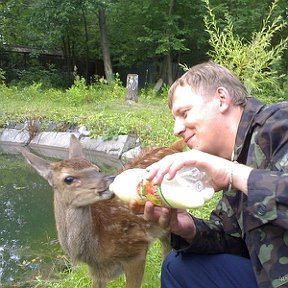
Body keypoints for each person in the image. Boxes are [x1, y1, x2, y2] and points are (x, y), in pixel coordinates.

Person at [129, 61, 288, 288]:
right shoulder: (236, 157)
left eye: (184, 113)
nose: (177, 129)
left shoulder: (280, 123)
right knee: (178, 267)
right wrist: (188, 228)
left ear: (222, 99)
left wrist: (231, 173)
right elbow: (232, 241)